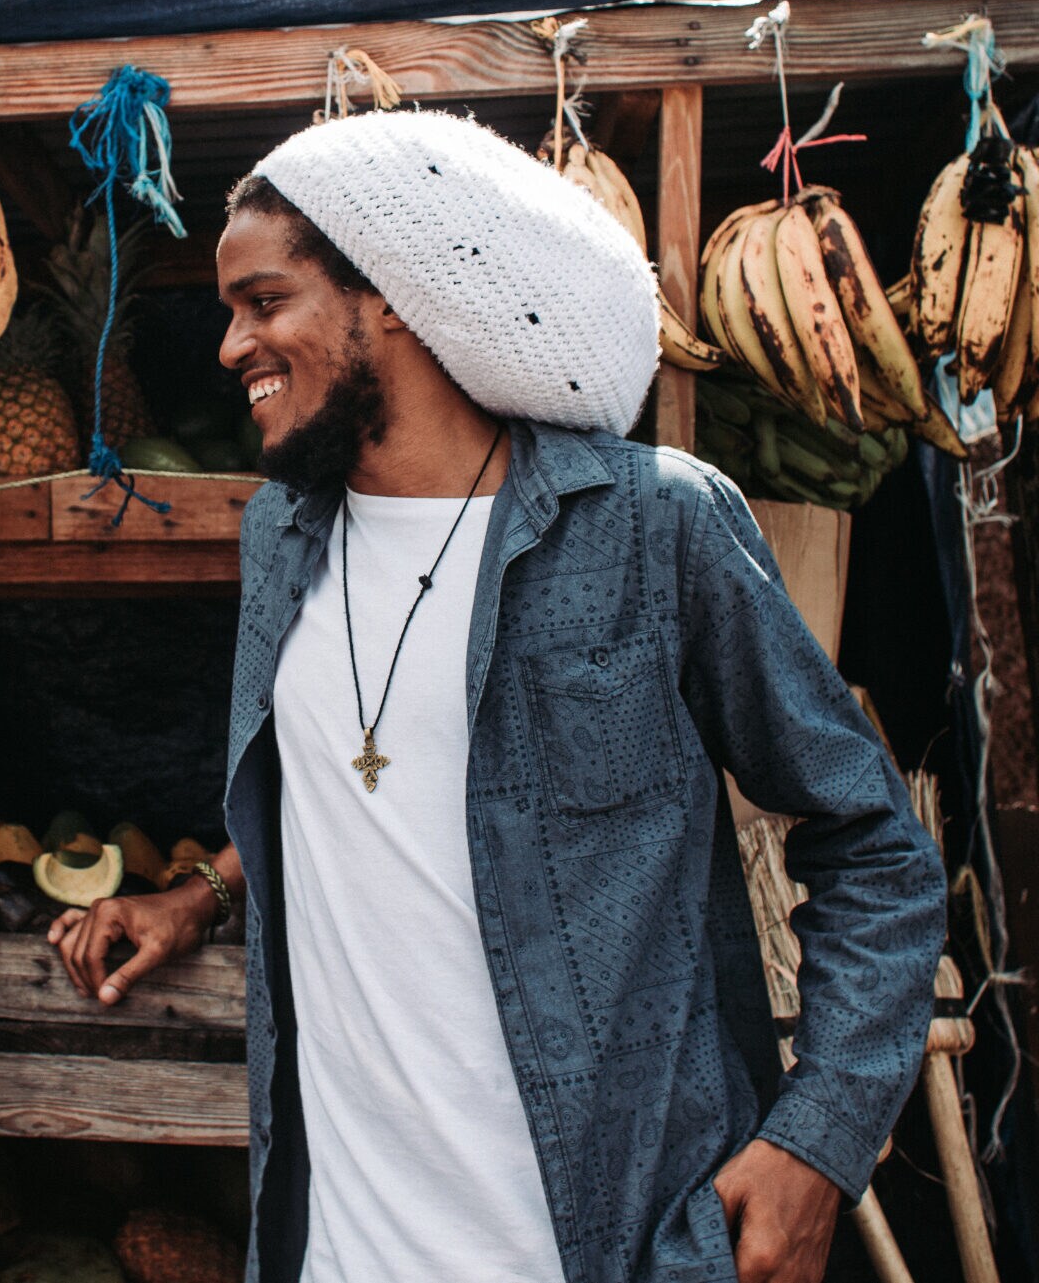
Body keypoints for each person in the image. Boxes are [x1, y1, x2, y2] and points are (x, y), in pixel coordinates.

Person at [49, 111, 945, 1283]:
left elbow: (873, 842)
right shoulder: (279, 536)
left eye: (262, 304)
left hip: (614, 1247)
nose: (228, 347)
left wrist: (816, 1142)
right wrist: (207, 893)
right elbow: (377, 778)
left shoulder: (647, 525)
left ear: (395, 300)